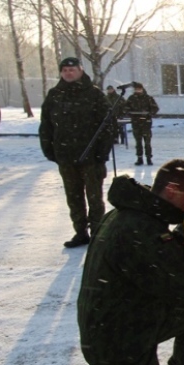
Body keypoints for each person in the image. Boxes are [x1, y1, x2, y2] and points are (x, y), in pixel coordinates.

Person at [77, 158, 184, 365]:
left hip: (132, 321)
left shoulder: (137, 214)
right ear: (171, 190)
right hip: (118, 345)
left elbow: (164, 257)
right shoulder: (136, 227)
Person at [39, 57, 115, 248]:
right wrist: (49, 150)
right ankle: (80, 232)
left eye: (72, 69)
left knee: (94, 198)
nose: (68, 73)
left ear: (81, 70)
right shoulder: (55, 95)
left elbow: (108, 126)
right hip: (65, 156)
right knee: (73, 198)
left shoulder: (94, 95)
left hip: (91, 158)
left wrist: (101, 154)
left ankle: (97, 233)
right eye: (64, 70)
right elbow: (46, 126)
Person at [124, 81, 159, 165]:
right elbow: (125, 108)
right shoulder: (131, 98)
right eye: (136, 89)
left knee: (147, 142)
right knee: (138, 142)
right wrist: (130, 113)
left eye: (139, 89)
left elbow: (155, 108)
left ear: (142, 89)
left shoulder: (148, 98)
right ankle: (139, 158)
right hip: (136, 123)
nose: (138, 90)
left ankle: (148, 158)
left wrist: (149, 113)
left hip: (146, 123)